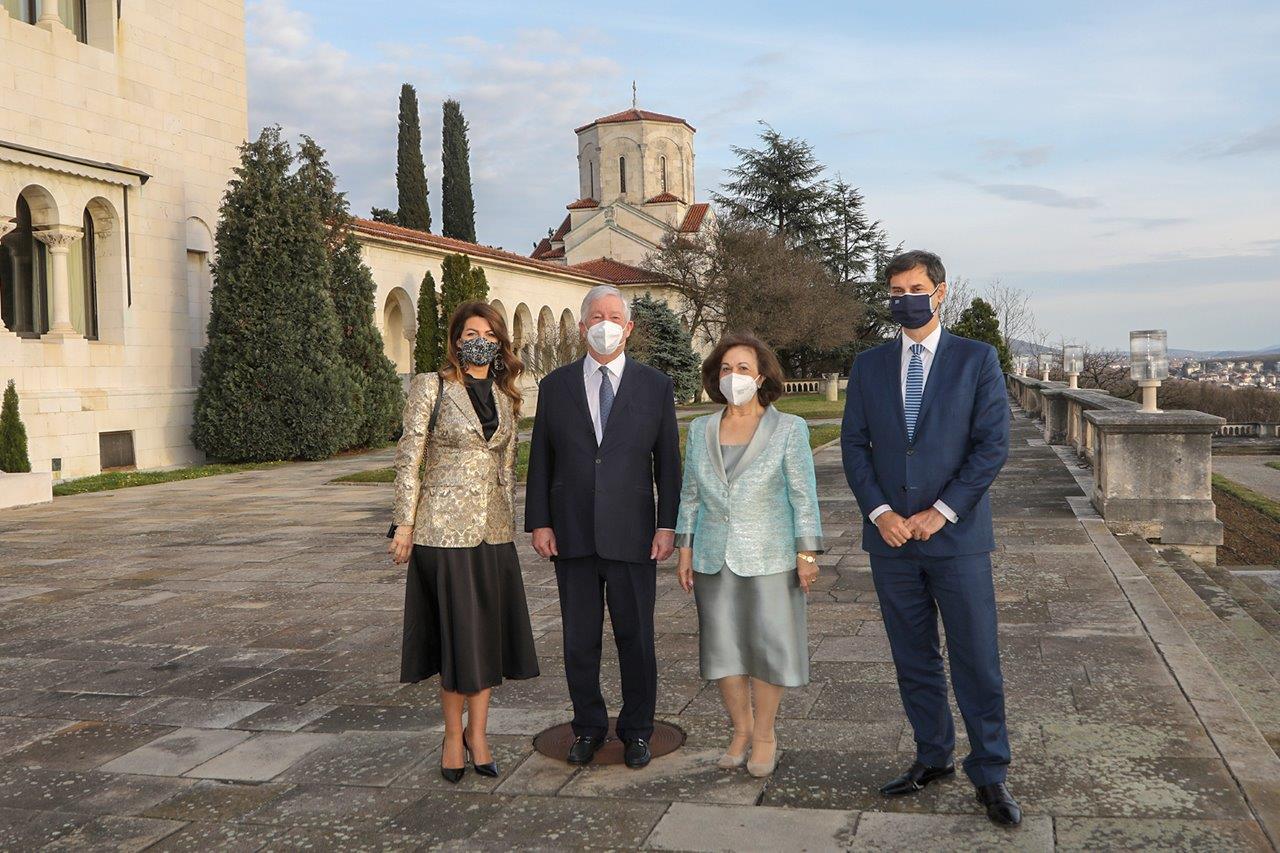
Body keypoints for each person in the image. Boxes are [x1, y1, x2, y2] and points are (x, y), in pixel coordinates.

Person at [839, 250, 1019, 826]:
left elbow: (991, 446)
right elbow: (853, 446)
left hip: (956, 541)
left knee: (976, 658)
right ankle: (933, 754)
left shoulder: (976, 359)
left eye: (915, 287)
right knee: (913, 657)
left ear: (940, 292)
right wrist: (880, 512)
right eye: (895, 290)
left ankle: (990, 772)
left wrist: (942, 511)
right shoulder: (868, 365)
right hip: (892, 541)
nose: (904, 298)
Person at [524, 284, 682, 769]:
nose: (605, 323)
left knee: (636, 638)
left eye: (614, 315)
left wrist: (667, 525)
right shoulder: (555, 386)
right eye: (596, 316)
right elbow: (540, 462)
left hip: (634, 535)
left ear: (629, 327)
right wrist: (539, 522)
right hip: (571, 534)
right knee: (579, 639)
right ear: (582, 326)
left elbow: (669, 465)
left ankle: (637, 730)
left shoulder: (655, 385)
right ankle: (588, 727)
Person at [387, 300, 539, 784]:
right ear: (456, 340)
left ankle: (481, 733)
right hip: (441, 532)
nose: (482, 341)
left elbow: (508, 467)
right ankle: (454, 735)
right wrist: (403, 525)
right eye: (473, 333)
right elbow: (409, 457)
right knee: (456, 640)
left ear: (500, 344)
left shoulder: (507, 393)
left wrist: (510, 527)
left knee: (486, 640)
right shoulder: (430, 387)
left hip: (492, 534)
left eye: (491, 336)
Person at [674, 332, 823, 777]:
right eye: (724, 368)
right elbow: (690, 495)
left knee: (767, 648)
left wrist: (808, 554)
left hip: (771, 557)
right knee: (723, 650)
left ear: (761, 377)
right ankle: (739, 729)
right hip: (713, 556)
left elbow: (804, 496)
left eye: (742, 368)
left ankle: (765, 735)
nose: (732, 376)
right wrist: (685, 548)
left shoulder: (789, 428)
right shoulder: (700, 428)